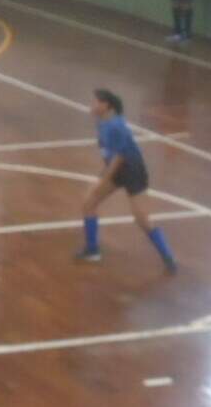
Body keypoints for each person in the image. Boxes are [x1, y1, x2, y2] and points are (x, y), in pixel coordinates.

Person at [76, 89, 177, 273]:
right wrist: (105, 175)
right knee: (89, 203)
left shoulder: (117, 126)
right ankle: (92, 250)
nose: (92, 105)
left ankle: (167, 256)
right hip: (115, 170)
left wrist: (104, 178)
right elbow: (107, 152)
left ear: (106, 105)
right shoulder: (101, 122)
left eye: (96, 102)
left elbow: (120, 157)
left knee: (142, 219)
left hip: (132, 171)